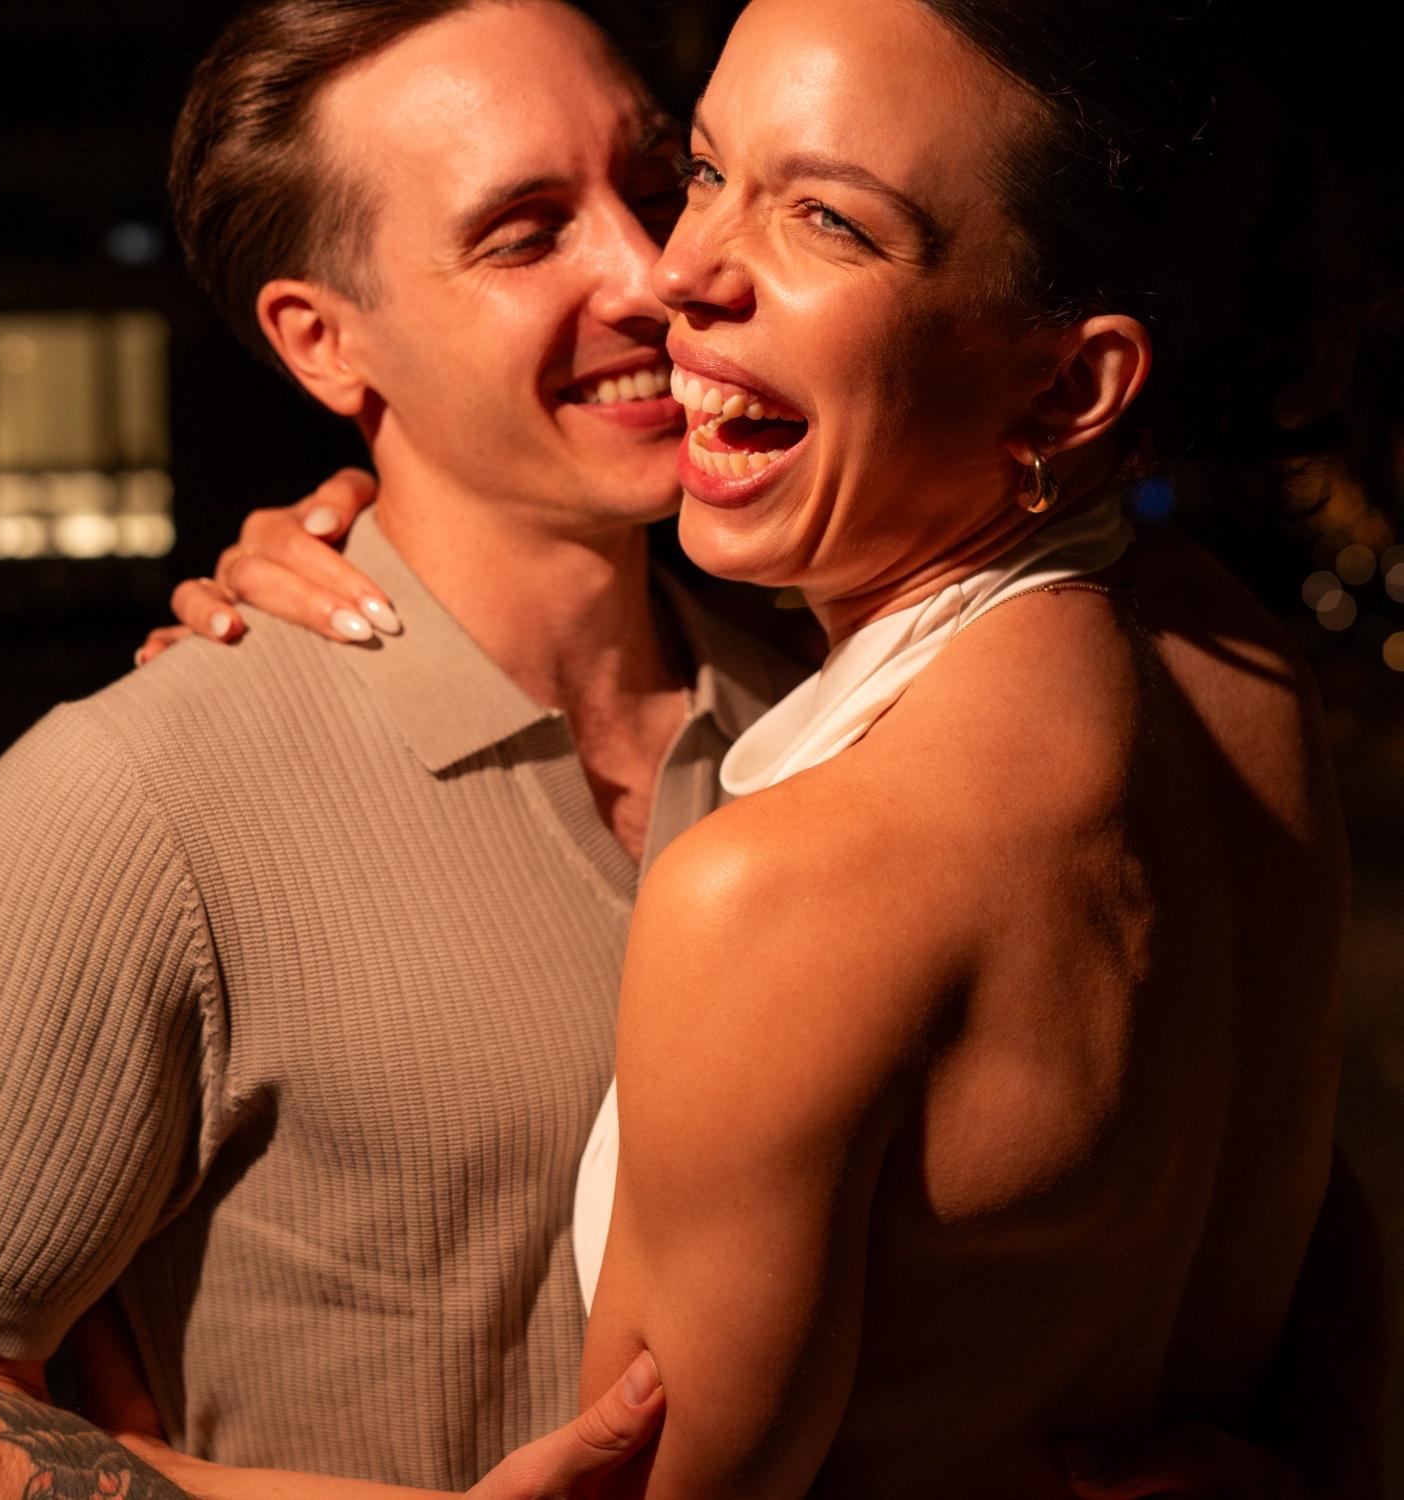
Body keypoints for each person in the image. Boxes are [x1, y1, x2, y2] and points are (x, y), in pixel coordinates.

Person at [154, 0, 1375, 1495]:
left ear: (1068, 384)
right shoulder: (1239, 667)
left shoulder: (790, 889)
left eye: (829, 220)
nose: (671, 271)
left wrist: (146, 1452)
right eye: (710, 171)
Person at [0, 2, 803, 1496]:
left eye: (660, 188)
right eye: (524, 235)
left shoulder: (835, 723)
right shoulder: (131, 807)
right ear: (322, 343)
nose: (657, 274)